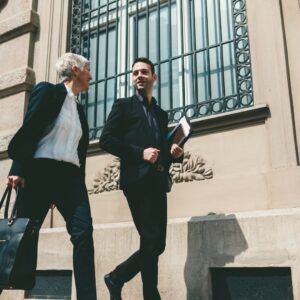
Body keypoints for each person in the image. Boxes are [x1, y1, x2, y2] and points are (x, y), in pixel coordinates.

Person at [6, 53, 97, 300]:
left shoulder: (79, 110)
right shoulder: (48, 91)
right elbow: (30, 127)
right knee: (22, 238)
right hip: (40, 173)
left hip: (70, 179)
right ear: (76, 69)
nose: (91, 74)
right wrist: (17, 168)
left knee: (84, 233)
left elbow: (77, 152)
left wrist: (69, 186)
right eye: (88, 68)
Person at [100, 57, 184, 300]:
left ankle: (149, 295)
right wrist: (140, 153)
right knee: (154, 242)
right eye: (135, 72)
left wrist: (175, 154)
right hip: (136, 181)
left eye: (144, 72)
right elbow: (107, 139)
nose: (139, 76)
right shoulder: (123, 106)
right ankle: (116, 277)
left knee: (153, 244)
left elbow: (161, 153)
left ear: (153, 77)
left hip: (158, 181)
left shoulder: (160, 113)